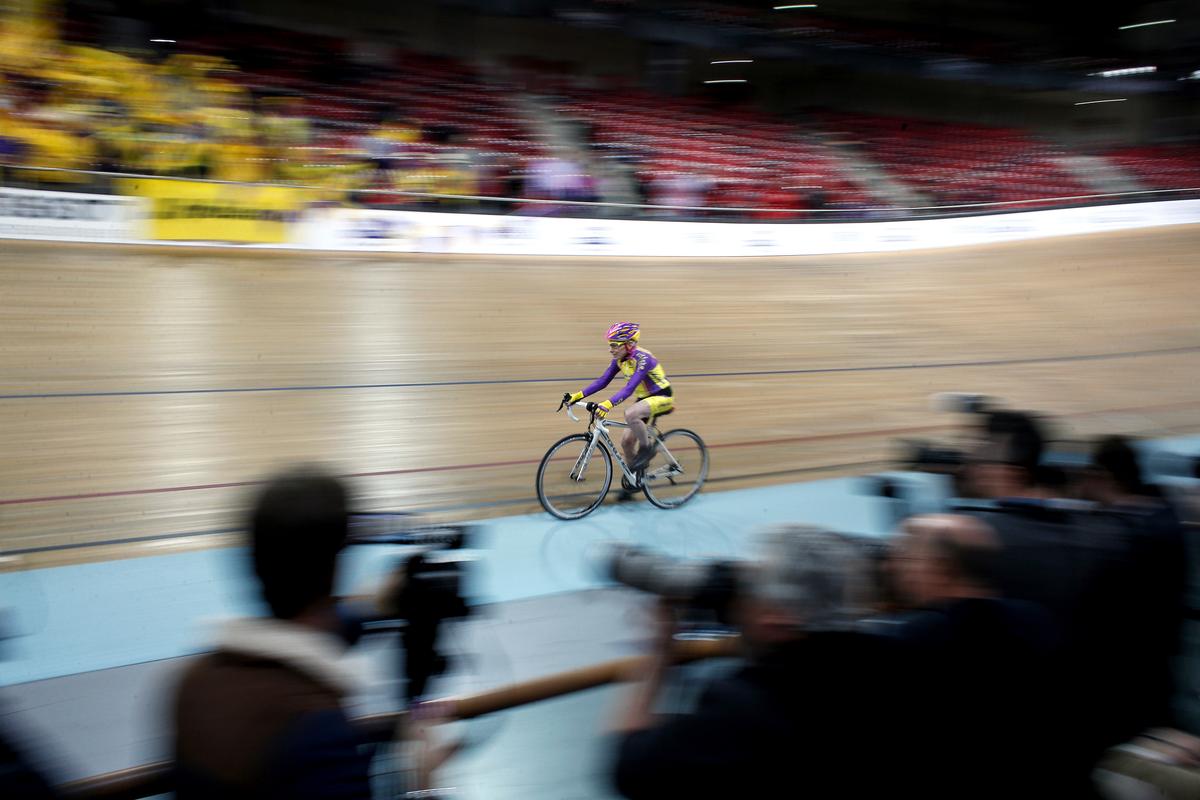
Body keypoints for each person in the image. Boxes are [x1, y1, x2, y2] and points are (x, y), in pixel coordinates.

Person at [610, 525, 890, 799]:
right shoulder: (890, 660)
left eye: (750, 590)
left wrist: (659, 653)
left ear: (776, 617)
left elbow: (631, 766)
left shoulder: (746, 705)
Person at [171, 467, 375, 800]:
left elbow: (303, 637)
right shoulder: (318, 727)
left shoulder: (193, 680)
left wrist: (372, 607)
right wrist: (425, 778)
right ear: (337, 568)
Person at [560, 322, 673, 476]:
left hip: (662, 396)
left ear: (629, 344)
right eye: (610, 345)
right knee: (626, 442)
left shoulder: (643, 359)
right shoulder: (620, 359)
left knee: (630, 413)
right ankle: (635, 480)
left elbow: (629, 388)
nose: (610, 350)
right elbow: (602, 381)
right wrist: (577, 396)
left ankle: (647, 450)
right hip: (644, 400)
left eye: (614, 345)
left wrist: (608, 404)